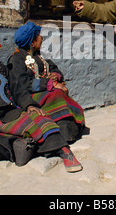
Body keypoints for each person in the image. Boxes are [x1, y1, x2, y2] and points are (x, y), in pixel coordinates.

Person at [0, 36, 83, 172]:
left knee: (40, 118)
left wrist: (29, 105)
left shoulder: (1, 71)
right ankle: (32, 146)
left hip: (8, 113)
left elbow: (17, 90)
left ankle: (64, 151)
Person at [7, 22, 86, 170]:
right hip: (29, 99)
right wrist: (49, 84)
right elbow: (22, 84)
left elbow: (55, 68)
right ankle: (62, 132)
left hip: (45, 92)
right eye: (39, 37)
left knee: (59, 93)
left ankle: (70, 129)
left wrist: (55, 77)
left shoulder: (39, 57)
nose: (42, 39)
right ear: (32, 42)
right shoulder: (16, 60)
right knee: (56, 95)